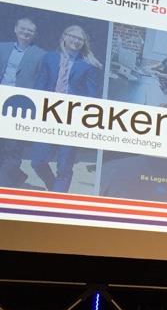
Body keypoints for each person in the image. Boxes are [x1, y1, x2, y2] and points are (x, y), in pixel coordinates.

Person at [30, 25, 102, 193]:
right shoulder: (49, 58)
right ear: (64, 37)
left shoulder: (88, 65)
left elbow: (92, 95)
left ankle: (58, 198)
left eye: (80, 39)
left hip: (71, 119)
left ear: (84, 43)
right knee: (37, 161)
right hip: (48, 115)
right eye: (73, 36)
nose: (76, 41)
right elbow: (39, 85)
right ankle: (55, 189)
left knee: (64, 167)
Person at [0, 17, 46, 187]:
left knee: (12, 147)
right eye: (23, 28)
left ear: (34, 34)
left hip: (19, 105)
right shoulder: (2, 48)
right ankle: (16, 176)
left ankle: (5, 186)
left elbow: (41, 81)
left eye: (30, 30)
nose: (26, 32)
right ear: (15, 29)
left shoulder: (40, 55)